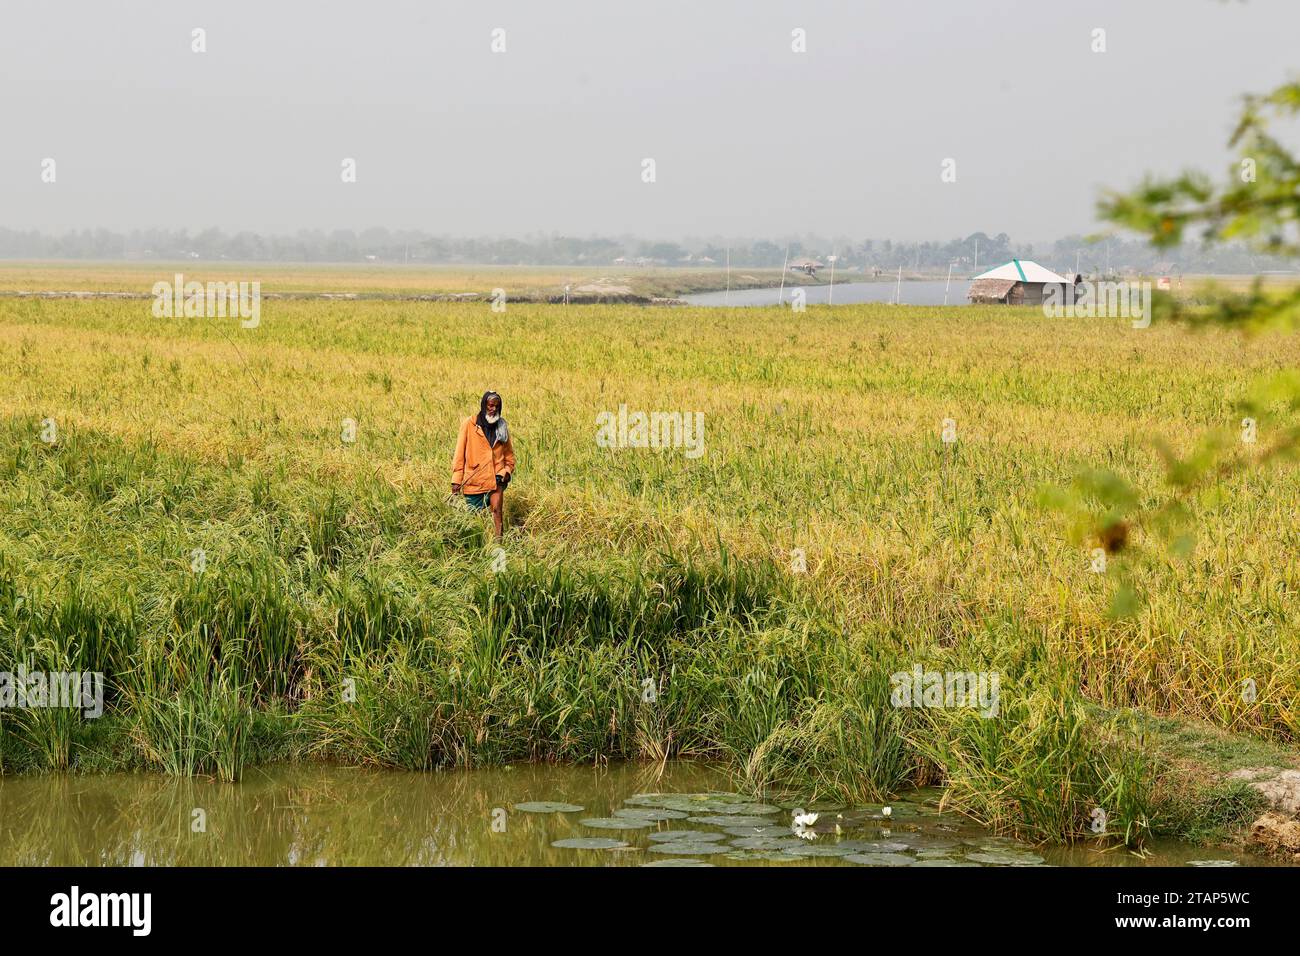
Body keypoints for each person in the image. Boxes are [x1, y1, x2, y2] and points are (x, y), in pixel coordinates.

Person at [451, 391, 515, 538]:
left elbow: (510, 458)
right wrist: (456, 479)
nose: (493, 409)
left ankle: (498, 543)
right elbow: (459, 454)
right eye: (491, 405)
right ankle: (472, 544)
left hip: (495, 478)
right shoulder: (469, 424)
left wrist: (505, 472)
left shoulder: (502, 427)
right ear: (484, 405)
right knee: (471, 518)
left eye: (497, 407)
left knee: (497, 510)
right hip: (474, 480)